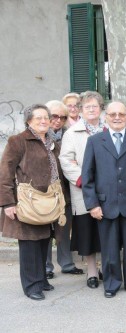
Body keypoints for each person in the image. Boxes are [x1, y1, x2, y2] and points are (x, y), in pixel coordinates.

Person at [82, 101, 126, 298]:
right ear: (106, 117)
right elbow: (88, 176)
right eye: (112, 114)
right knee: (109, 248)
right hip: (105, 205)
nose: (117, 117)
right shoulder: (95, 142)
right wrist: (93, 204)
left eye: (121, 114)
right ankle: (111, 284)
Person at [0, 104, 69, 301]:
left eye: (46, 117)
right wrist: (7, 203)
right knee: (30, 243)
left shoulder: (51, 141)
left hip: (48, 201)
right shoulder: (18, 141)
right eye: (38, 118)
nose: (43, 121)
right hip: (28, 201)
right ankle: (31, 286)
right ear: (28, 120)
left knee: (43, 241)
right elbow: (5, 172)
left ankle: (41, 280)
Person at [59, 91, 105, 289]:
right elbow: (66, 160)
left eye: (95, 106)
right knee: (87, 232)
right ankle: (92, 270)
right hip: (83, 189)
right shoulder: (72, 132)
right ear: (81, 110)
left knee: (106, 229)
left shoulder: (109, 128)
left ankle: (106, 265)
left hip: (107, 189)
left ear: (101, 109)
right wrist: (83, 179)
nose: (92, 110)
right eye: (87, 107)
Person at [45, 100, 83, 279]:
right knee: (44, 232)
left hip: (65, 191)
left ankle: (66, 264)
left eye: (62, 117)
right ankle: (46, 267)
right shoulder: (39, 135)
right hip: (43, 194)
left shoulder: (70, 134)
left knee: (63, 230)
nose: (57, 120)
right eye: (54, 116)